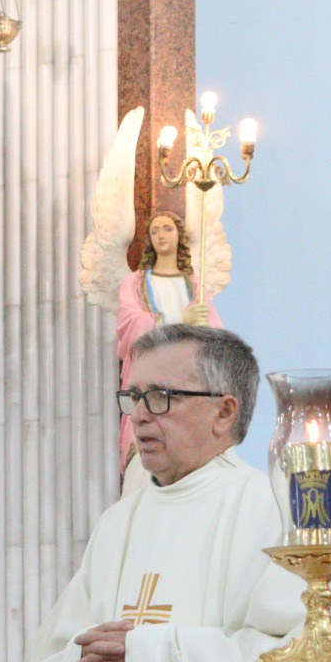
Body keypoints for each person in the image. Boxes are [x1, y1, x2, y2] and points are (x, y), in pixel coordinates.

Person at [28, 325, 331, 662]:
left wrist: (150, 656)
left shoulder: (276, 511)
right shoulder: (117, 522)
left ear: (223, 412)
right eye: (133, 397)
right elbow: (50, 657)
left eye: (159, 397)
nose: (137, 416)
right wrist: (85, 657)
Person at [116, 209, 221, 487]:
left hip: (185, 383)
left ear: (179, 236)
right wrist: (178, 319)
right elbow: (128, 327)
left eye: (168, 229)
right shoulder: (135, 283)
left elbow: (217, 338)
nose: (161, 235)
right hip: (149, 379)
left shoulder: (194, 285)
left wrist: (204, 328)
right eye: (155, 231)